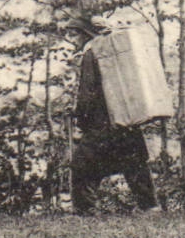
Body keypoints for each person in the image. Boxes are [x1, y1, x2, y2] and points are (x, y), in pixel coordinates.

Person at [66, 14, 158, 214]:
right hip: (125, 118)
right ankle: (150, 207)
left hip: (101, 123)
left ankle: (85, 211)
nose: (72, 40)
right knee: (134, 163)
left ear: (84, 35)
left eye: (74, 35)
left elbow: (87, 93)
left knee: (81, 165)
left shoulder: (91, 54)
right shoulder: (112, 53)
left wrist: (81, 117)